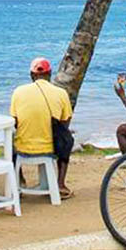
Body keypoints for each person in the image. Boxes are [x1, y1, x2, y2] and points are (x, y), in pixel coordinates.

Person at [10, 57, 74, 199]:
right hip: (50, 148)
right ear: (50, 74)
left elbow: (14, 122)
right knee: (67, 138)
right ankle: (60, 184)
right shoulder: (61, 93)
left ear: (32, 75)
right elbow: (65, 122)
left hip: (23, 148)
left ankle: (19, 180)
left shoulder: (18, 92)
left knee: (9, 140)